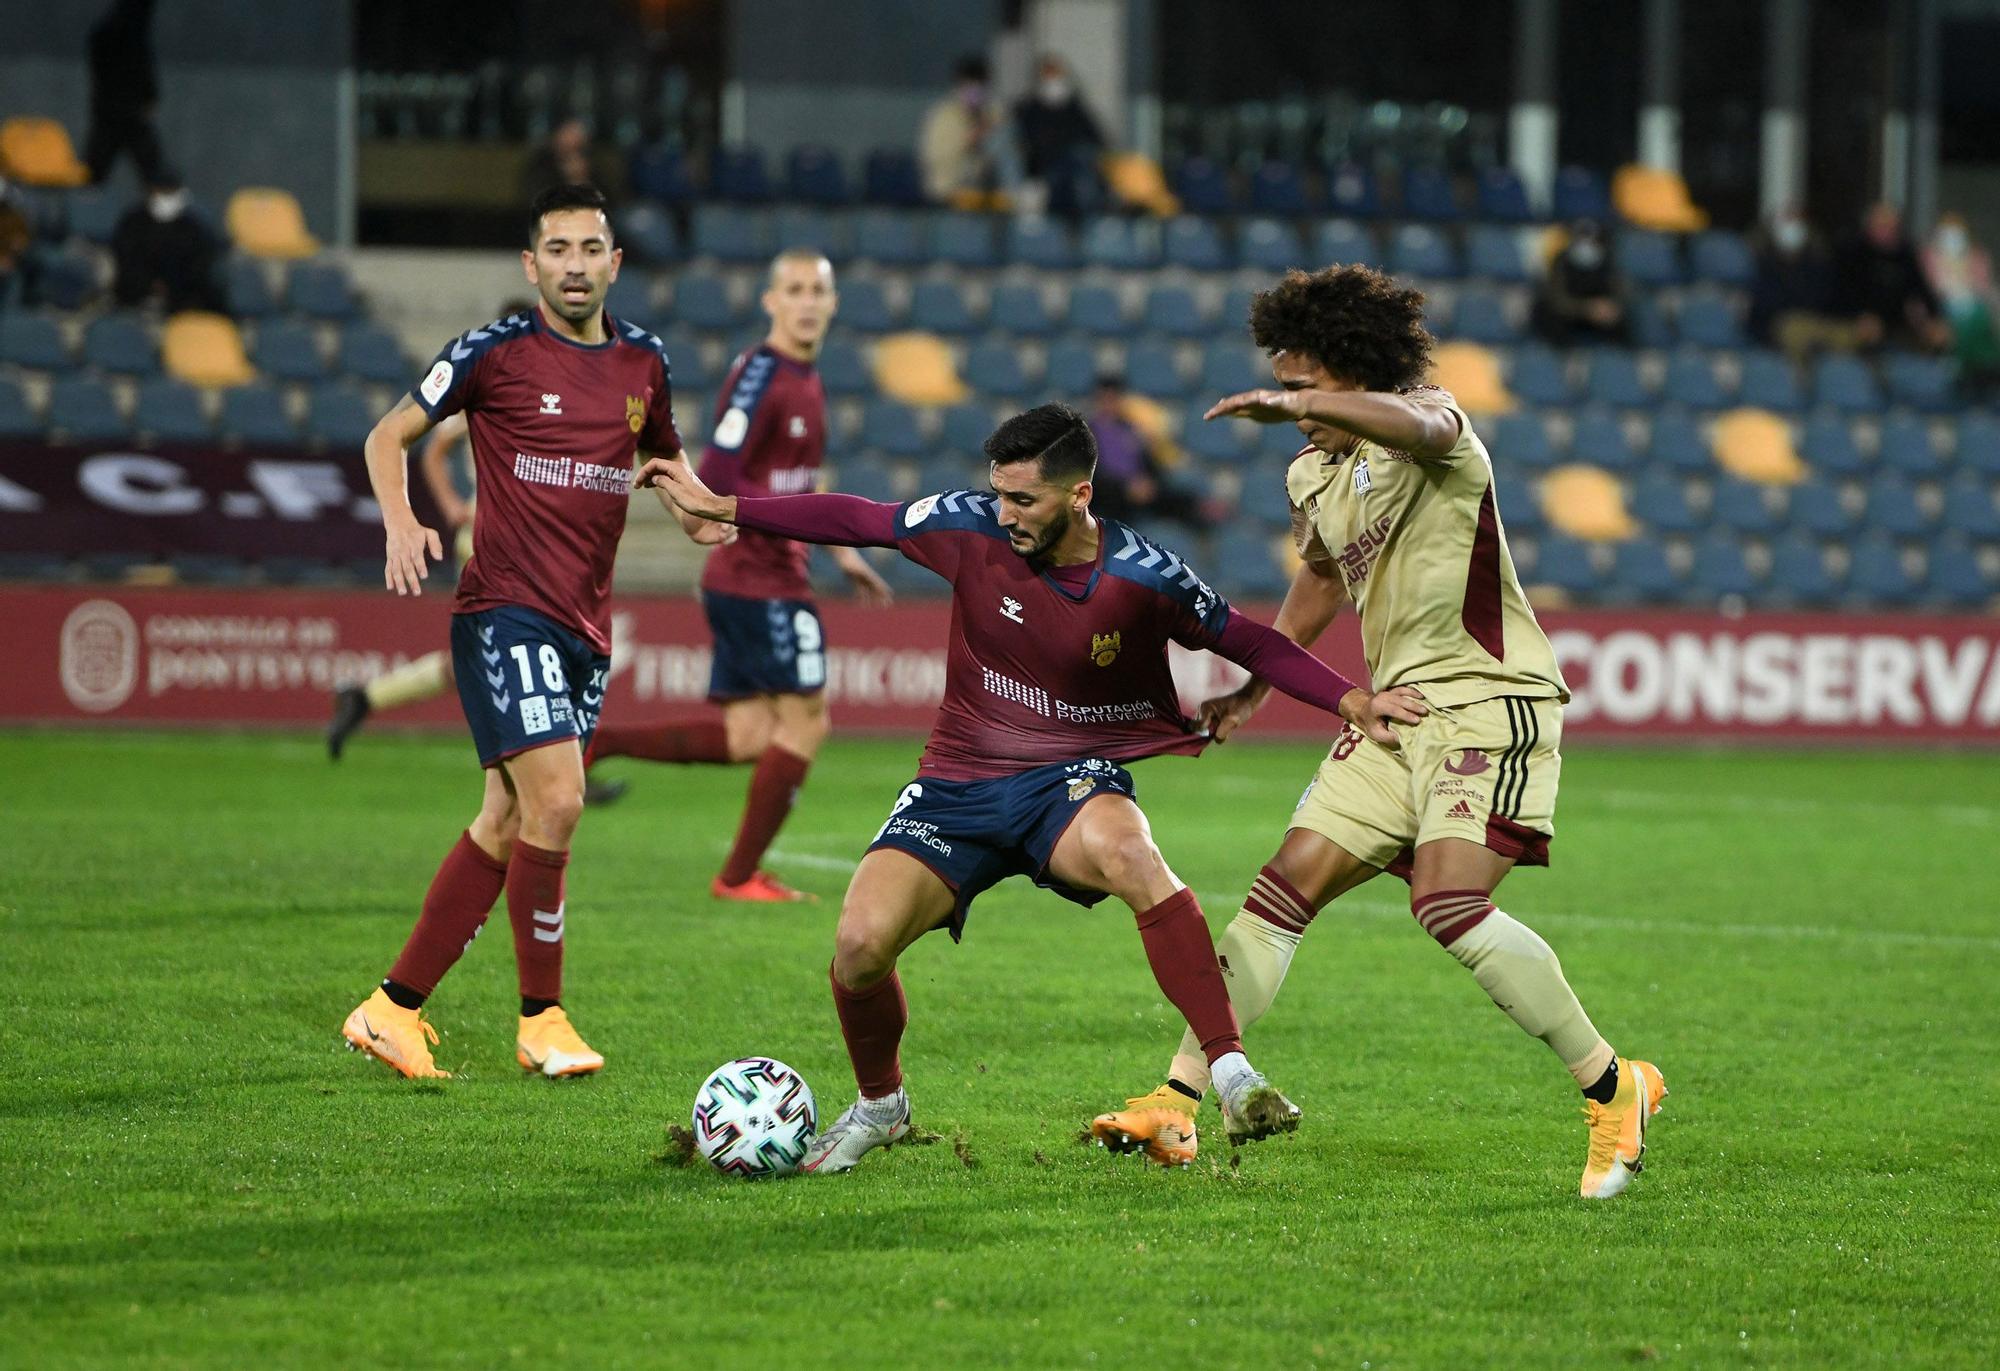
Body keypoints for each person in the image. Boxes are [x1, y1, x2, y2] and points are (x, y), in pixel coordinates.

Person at [640, 402, 1420, 1173]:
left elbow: (1244, 636)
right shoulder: (969, 525)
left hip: (1068, 781)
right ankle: (882, 1106)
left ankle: (1230, 1073)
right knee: (859, 946)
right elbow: (860, 518)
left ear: (1079, 494)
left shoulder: (1140, 573)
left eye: (1023, 499)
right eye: (998, 492)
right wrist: (727, 505)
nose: (1002, 511)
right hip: (957, 785)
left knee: (1134, 856)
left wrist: (1350, 698)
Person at [1088, 265, 1667, 1199]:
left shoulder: (1433, 425)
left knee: (1447, 908)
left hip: (1490, 696)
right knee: (1278, 895)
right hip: (1396, 711)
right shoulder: (1310, 469)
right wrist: (1254, 683)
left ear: (1354, 369)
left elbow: (1420, 424)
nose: (1294, 404)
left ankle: (1614, 1086)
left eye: (1305, 381)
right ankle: (1179, 1096)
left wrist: (1321, 405)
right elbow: (1320, 577)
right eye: (1283, 383)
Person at [340, 184, 721, 1081]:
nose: (575, 265)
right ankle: (541, 1016)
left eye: (591, 249)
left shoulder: (645, 363)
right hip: (503, 610)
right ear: (531, 265)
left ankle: (389, 1008)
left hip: (587, 627)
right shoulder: (492, 354)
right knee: (557, 801)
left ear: (614, 262)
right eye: (558, 250)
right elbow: (387, 436)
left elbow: (665, 456)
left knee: (507, 817)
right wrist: (400, 521)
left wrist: (697, 508)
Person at [584, 249, 892, 901]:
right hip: (760, 575)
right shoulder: (762, 374)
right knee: (807, 723)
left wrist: (840, 551)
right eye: (796, 289)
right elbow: (721, 473)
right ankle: (739, 876)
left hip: (759, 573)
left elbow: (795, 480)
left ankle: (602, 739)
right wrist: (725, 514)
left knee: (751, 734)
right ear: (770, 300)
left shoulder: (804, 377)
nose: (808, 301)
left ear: (833, 304)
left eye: (819, 290)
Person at [1083, 373, 1211, 534]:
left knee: (1181, 500)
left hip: (1141, 490)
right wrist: (1125, 488)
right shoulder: (1086, 434)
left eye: (1114, 399)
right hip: (1110, 496)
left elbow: (1151, 463)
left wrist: (1149, 484)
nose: (1109, 405)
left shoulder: (1131, 429)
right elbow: (1092, 476)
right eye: (1105, 399)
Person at [1748, 205, 1869, 360]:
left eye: (1797, 223)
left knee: (1850, 335)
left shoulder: (1819, 263)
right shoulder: (1762, 264)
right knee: (1796, 331)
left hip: (1819, 321)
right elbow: (1764, 306)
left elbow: (1832, 298)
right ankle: (1798, 380)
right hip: (1779, 325)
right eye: (1787, 223)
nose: (1792, 229)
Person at [1837, 203, 1950, 354]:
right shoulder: (1852, 253)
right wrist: (1859, 317)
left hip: (1896, 327)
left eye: (1892, 227)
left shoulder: (1905, 255)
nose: (1887, 231)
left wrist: (1935, 320)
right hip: (1854, 324)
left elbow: (1922, 290)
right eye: (1881, 226)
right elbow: (1841, 294)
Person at [110, 172, 224, 314]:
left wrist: (174, 287)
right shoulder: (133, 223)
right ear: (151, 192)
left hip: (182, 295)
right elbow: (125, 259)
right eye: (163, 192)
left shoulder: (192, 226)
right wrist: (149, 285)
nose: (167, 197)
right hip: (136, 293)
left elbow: (200, 264)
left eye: (172, 192)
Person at [84, 0, 168, 186]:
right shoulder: (132, 36)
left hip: (110, 111)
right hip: (127, 113)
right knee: (152, 170)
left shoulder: (105, 33)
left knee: (93, 173)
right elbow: (143, 71)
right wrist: (149, 97)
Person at [1012, 56, 1103, 218]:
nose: (1053, 81)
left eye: (1057, 75)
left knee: (1082, 166)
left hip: (1076, 168)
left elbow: (1096, 138)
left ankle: (1091, 219)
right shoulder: (1031, 109)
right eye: (1049, 76)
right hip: (1048, 170)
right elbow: (1028, 144)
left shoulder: (1074, 107)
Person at [919, 56, 1011, 210]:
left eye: (980, 87)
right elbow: (932, 159)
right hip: (947, 192)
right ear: (958, 86)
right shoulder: (942, 116)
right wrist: (966, 142)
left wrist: (990, 127)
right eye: (969, 87)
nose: (975, 93)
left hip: (986, 191)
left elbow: (1004, 152)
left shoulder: (993, 113)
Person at [1921, 212, 2000, 388]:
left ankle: (1983, 364)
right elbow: (1925, 288)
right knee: (1959, 316)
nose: (1953, 237)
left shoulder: (1977, 256)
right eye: (1947, 232)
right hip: (1939, 304)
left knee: (1976, 314)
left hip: (1973, 304)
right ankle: (1961, 366)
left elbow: (1984, 287)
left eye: (1957, 232)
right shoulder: (1928, 257)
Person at [1530, 219, 1628, 346]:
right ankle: (1562, 359)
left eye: (1593, 241)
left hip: (1598, 317)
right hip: (1568, 314)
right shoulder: (1562, 261)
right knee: (1549, 316)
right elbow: (1557, 300)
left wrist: (1611, 308)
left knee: (1620, 322)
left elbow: (1617, 291)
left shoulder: (1607, 262)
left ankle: (1617, 359)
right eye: (1583, 239)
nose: (1587, 245)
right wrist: (1587, 309)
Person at [520, 118, 627, 207]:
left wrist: (581, 179)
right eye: (567, 138)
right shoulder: (540, 164)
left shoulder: (596, 163)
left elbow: (610, 200)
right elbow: (537, 201)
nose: (572, 143)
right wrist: (569, 180)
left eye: (577, 138)